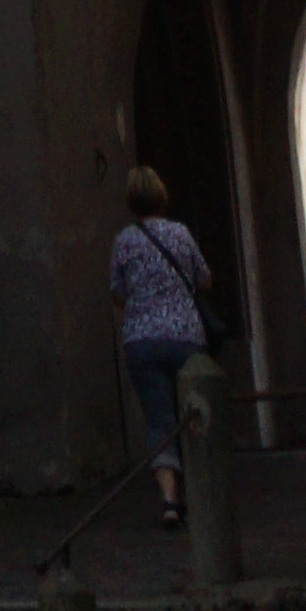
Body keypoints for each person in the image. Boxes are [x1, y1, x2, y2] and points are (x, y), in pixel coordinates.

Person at [110, 165, 212, 527]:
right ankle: (203, 497)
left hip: (142, 341)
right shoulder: (181, 234)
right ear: (161, 195)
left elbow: (117, 293)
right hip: (186, 339)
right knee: (193, 416)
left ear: (131, 201)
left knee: (159, 421)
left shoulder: (124, 241)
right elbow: (204, 278)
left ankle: (170, 501)